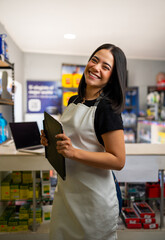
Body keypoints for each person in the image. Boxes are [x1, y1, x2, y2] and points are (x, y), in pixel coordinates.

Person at [40, 43, 127, 240]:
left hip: (93, 201)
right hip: (67, 193)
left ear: (112, 77)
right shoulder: (73, 101)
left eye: (106, 67)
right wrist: (52, 142)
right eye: (94, 60)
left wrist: (73, 152)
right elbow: (73, 141)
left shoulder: (107, 109)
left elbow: (118, 160)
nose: (96, 67)